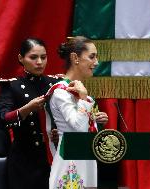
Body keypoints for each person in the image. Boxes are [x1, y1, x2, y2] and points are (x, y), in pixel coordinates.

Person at [0, 38, 62, 189]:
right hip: (24, 161)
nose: (39, 62)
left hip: (54, 157)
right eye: (33, 57)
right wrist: (27, 109)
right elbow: (1, 119)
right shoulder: (12, 86)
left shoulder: (56, 84)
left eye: (43, 57)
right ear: (21, 58)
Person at [45, 36, 108, 189]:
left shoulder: (80, 93)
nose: (96, 62)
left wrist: (97, 122)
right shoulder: (61, 92)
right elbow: (78, 128)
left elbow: (86, 129)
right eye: (92, 57)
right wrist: (85, 99)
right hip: (70, 161)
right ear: (75, 58)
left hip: (86, 159)